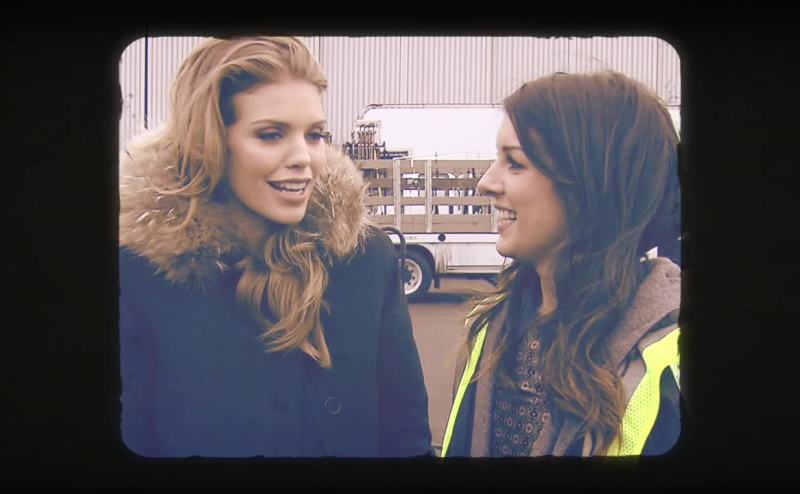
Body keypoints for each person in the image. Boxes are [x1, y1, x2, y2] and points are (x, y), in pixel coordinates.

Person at [118, 36, 431, 457]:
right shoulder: (139, 276)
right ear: (209, 143)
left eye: (315, 134)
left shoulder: (365, 258)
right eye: (271, 135)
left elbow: (405, 433)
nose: (304, 157)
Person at [441, 71, 682, 457]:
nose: (485, 183)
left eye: (514, 163)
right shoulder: (489, 329)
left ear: (588, 186)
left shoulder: (667, 367)